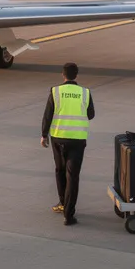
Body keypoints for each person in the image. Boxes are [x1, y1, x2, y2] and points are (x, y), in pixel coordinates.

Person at [41, 62, 95, 226]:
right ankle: (68, 215)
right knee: (73, 177)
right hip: (77, 140)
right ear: (76, 75)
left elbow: (48, 114)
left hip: (58, 138)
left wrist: (44, 135)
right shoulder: (85, 93)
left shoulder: (55, 91)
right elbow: (91, 114)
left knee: (60, 170)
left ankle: (62, 202)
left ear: (63, 75)